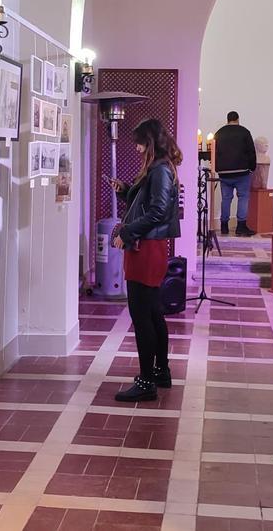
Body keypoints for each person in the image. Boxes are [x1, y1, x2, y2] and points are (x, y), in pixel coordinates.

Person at [110, 118, 183, 402]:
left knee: (142, 317)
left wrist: (126, 232)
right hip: (149, 246)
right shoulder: (159, 168)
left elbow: (156, 212)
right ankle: (160, 371)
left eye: (140, 143)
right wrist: (125, 189)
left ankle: (146, 381)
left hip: (145, 248)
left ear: (150, 142)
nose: (138, 149)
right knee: (153, 313)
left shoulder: (160, 170)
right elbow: (149, 202)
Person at [212, 111, 257, 236]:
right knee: (243, 197)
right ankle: (241, 227)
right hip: (241, 172)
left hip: (224, 172)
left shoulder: (219, 133)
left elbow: (214, 152)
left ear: (227, 120)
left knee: (226, 199)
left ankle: (224, 226)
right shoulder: (244, 132)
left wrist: (217, 168)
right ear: (237, 119)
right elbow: (251, 151)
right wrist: (252, 167)